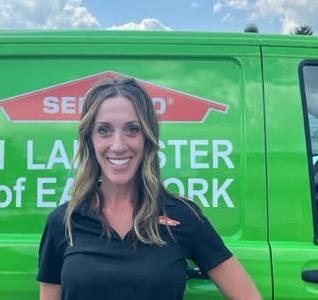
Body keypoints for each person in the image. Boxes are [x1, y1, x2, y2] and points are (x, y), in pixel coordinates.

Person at [37, 77, 262, 300]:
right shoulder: (64, 221)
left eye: (132, 129)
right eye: (104, 130)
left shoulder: (182, 216)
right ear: (90, 139)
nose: (117, 146)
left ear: (148, 137)